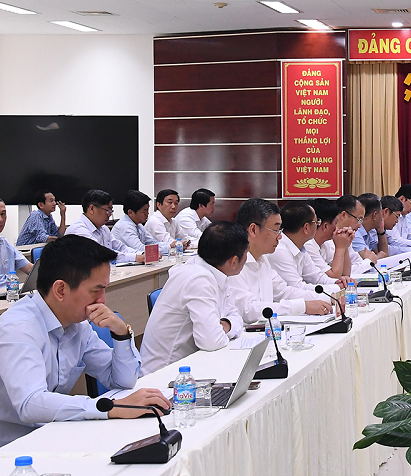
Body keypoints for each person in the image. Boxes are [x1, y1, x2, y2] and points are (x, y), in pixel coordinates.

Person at [0, 235, 170, 446]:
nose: (103, 300)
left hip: (56, 434)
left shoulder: (77, 325)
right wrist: (111, 407)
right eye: (96, 290)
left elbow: (122, 381)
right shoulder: (18, 328)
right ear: (61, 290)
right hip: (14, 447)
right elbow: (30, 404)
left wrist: (121, 333)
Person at [140, 222, 246, 376]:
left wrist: (226, 325)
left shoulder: (213, 271)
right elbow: (211, 341)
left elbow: (236, 316)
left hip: (191, 365)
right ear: (234, 261)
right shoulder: (198, 279)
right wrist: (224, 328)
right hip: (164, 375)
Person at [227, 198, 333, 324]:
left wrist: (328, 297)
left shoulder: (262, 259)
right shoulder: (232, 262)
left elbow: (284, 291)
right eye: (275, 230)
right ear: (253, 230)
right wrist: (302, 306)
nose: (280, 236)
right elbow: (249, 310)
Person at [269, 201, 349, 293]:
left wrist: (337, 282)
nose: (318, 225)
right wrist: (336, 288)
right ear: (306, 228)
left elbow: (317, 277)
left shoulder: (300, 247)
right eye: (316, 222)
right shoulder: (279, 250)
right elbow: (297, 288)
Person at [66, 190, 145, 264]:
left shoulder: (104, 229)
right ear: (92, 209)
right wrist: (136, 257)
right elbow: (101, 254)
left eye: (111, 211)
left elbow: (120, 247)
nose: (109, 214)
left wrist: (142, 254)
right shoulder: (78, 230)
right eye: (107, 210)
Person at [306, 197, 367, 276]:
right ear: (325, 226)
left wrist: (345, 246)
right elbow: (334, 276)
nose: (337, 228)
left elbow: (346, 274)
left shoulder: (324, 244)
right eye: (336, 223)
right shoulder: (308, 245)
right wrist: (341, 248)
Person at [110, 190, 171, 257]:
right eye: (144, 211)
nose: (147, 213)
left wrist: (171, 245)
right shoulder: (125, 226)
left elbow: (153, 242)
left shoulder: (139, 225)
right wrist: (169, 247)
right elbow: (140, 249)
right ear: (130, 212)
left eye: (147, 210)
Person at [0, 200, 33, 283]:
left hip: (11, 290)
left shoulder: (5, 243)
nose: (1, 220)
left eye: (2, 214)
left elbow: (30, 269)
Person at [352, 193, 388, 259]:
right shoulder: (355, 233)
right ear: (375, 215)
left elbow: (384, 255)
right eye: (381, 213)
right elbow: (367, 261)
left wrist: (381, 232)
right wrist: (378, 257)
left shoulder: (369, 231)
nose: (382, 217)